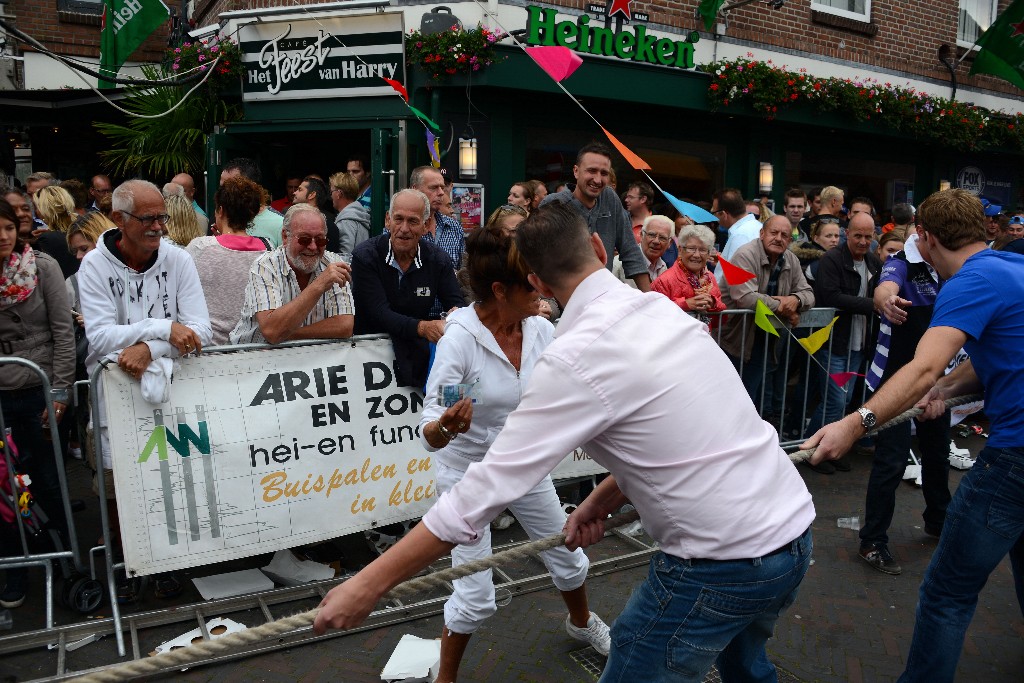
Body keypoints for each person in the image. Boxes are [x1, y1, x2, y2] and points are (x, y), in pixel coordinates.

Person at [314, 203, 815, 682]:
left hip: (722, 562)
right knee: (745, 667)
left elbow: (488, 489)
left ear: (535, 280)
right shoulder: (662, 312)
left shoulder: (567, 350)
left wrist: (368, 584)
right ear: (599, 246)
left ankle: (579, 620)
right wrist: (599, 499)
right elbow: (681, 438)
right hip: (793, 534)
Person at [803, 189, 1024, 683]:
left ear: (924, 237)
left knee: (947, 593)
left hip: (1014, 457)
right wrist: (946, 386)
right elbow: (996, 362)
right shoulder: (1013, 268)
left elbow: (922, 367)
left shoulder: (970, 281)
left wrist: (854, 422)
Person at [421, 224, 610, 681]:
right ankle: (445, 678)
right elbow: (431, 428)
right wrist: (446, 427)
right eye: (530, 284)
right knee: (475, 592)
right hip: (467, 475)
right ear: (500, 291)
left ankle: (581, 622)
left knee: (566, 549)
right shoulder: (460, 340)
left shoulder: (540, 328)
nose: (540, 289)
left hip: (522, 464)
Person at [77, 179, 212, 601]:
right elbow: (99, 337)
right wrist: (163, 329)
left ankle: (164, 562)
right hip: (113, 397)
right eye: (148, 218)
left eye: (162, 217)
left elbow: (201, 329)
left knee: (167, 476)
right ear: (119, 219)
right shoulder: (93, 267)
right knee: (120, 484)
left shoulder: (178, 260)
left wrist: (148, 348)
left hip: (170, 393)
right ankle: (126, 563)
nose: (159, 227)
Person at [858, 229, 951, 576]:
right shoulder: (901, 262)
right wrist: (885, 300)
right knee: (891, 462)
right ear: (926, 236)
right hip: (894, 383)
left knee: (938, 453)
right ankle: (872, 541)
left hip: (936, 381)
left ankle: (938, 520)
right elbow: (886, 285)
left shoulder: (951, 266)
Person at [0, 198, 76, 609]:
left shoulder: (43, 266)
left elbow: (64, 333)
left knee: (46, 478)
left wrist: (61, 391)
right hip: (0, 395)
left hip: (40, 388)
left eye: (9, 229)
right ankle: (14, 565)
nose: (4, 237)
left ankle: (65, 559)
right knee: (2, 485)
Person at [351, 189, 465, 388]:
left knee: (447, 405)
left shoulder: (438, 260)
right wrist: (422, 328)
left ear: (426, 225)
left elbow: (457, 304)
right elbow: (378, 312)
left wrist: (456, 316)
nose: (404, 228)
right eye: (398, 219)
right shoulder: (365, 256)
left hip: (418, 356)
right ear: (388, 220)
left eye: (412, 221)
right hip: (368, 362)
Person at [804, 213, 881, 457]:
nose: (862, 241)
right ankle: (812, 448)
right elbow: (830, 296)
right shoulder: (832, 259)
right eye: (858, 235)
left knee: (845, 402)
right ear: (847, 233)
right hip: (834, 342)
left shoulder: (873, 261)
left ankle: (828, 448)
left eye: (868, 237)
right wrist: (873, 304)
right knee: (834, 401)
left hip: (859, 344)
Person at [719, 215, 814, 409]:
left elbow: (809, 294)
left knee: (754, 398)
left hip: (767, 338)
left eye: (784, 235)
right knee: (733, 399)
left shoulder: (791, 259)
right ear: (762, 234)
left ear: (790, 240)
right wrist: (783, 308)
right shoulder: (745, 254)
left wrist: (794, 300)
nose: (778, 238)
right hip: (735, 338)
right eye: (774, 232)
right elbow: (745, 296)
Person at [230, 204, 353, 345]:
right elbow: (272, 331)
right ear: (285, 236)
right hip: (252, 359)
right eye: (304, 239)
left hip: (307, 360)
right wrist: (319, 285)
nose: (313, 247)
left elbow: (344, 326)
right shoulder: (265, 265)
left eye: (320, 240)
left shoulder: (333, 263)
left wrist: (287, 334)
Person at [540, 142, 650, 291]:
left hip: (602, 294)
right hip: (559, 296)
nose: (598, 180)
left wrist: (649, 298)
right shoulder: (554, 203)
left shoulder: (610, 198)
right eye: (591, 171)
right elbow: (538, 257)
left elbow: (630, 249)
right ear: (576, 171)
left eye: (604, 173)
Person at [187, 176, 269, 345]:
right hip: (252, 348)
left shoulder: (200, 247)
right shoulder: (268, 251)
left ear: (221, 210)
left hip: (208, 349)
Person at [652, 222, 724, 327]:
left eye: (703, 250)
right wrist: (685, 304)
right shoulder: (664, 280)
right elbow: (654, 315)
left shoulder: (710, 278)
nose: (696, 255)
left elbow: (720, 322)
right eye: (691, 249)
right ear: (680, 250)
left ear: (709, 254)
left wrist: (713, 304)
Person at [221, 158, 283, 249]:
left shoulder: (280, 224)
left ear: (252, 187)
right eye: (222, 188)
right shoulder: (221, 217)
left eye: (232, 188)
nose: (223, 193)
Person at [712, 187, 761, 280]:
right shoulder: (757, 226)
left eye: (714, 213)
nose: (715, 217)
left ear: (724, 214)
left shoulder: (740, 235)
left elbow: (736, 277)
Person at [32, 186, 79, 277]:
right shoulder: (83, 227)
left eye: (37, 206)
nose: (36, 211)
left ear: (44, 209)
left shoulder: (47, 239)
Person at [329, 172, 370, 255]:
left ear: (338, 194)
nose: (330, 196)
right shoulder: (359, 214)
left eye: (331, 192)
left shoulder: (346, 221)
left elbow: (345, 255)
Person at [792, 214, 841, 283]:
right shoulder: (817, 263)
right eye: (828, 236)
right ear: (816, 239)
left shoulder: (836, 258)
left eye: (836, 236)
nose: (834, 240)